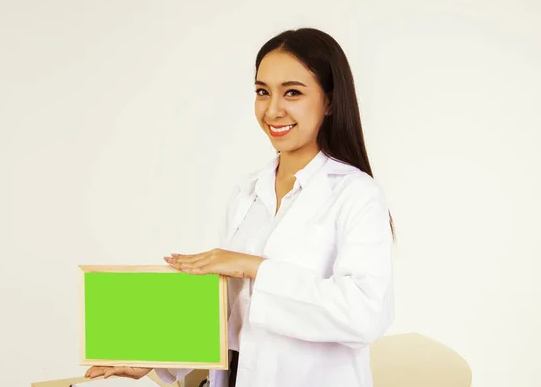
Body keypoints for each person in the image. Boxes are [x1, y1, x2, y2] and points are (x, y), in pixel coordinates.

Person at [85, 27, 395, 387]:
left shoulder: (356, 194)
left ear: (329, 101)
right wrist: (154, 357)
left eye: (292, 92)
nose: (273, 110)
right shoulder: (247, 191)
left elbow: (365, 314)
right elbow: (230, 311)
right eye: (262, 92)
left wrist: (253, 268)